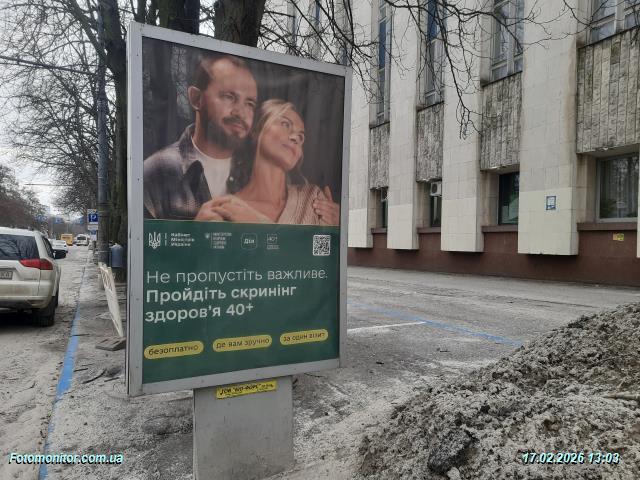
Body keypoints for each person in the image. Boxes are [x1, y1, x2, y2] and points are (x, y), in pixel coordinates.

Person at [143, 53, 257, 220]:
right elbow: (145, 236)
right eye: (229, 97)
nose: (241, 113)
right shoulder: (156, 171)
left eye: (249, 104)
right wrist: (198, 231)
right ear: (196, 99)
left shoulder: (257, 172)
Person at [195, 99, 340, 225]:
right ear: (257, 130)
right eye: (285, 124)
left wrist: (339, 229)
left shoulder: (313, 199)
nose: (295, 137)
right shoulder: (223, 208)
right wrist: (198, 233)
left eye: (301, 137)